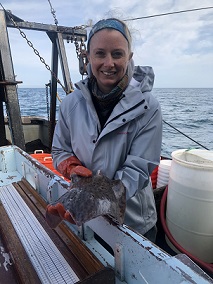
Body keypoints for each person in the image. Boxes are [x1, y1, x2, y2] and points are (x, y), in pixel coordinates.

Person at [50, 18, 162, 242]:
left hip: (133, 222)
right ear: (88, 57)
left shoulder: (148, 106)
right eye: (100, 53)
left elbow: (138, 169)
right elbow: (58, 150)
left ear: (129, 57)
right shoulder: (70, 104)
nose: (108, 63)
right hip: (89, 224)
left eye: (117, 54)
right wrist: (70, 166)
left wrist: (90, 202)